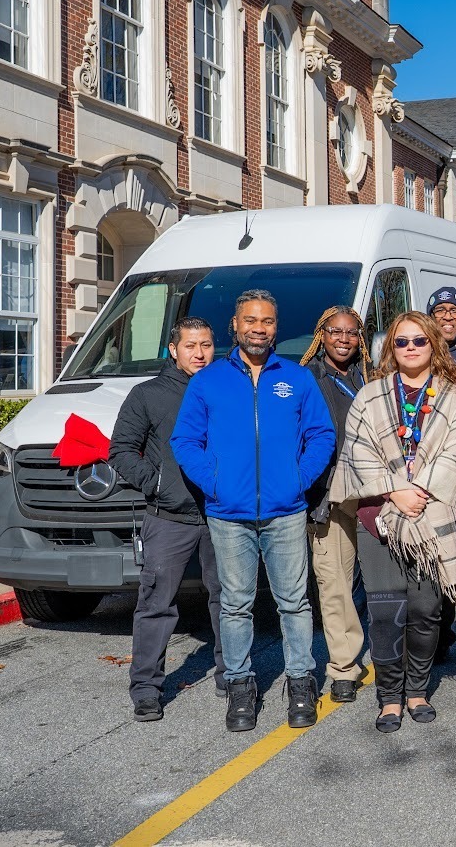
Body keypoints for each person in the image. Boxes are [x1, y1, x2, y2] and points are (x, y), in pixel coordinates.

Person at [171, 290, 334, 733]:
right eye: (250, 320)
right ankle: (241, 686)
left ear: (275, 327)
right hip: (229, 514)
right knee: (237, 605)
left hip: (285, 512)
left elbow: (321, 434)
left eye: (266, 321)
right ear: (235, 326)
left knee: (294, 604)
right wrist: (216, 481)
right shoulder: (209, 381)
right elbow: (185, 441)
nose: (258, 328)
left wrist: (297, 480)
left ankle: (300, 682)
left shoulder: (297, 379)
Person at [336, 311, 456, 733]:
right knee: (385, 611)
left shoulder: (455, 397)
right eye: (402, 342)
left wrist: (420, 493)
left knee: (425, 610)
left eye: (419, 340)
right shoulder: (370, 396)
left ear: (434, 344)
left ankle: (417, 690)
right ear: (390, 349)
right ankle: (389, 698)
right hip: (379, 515)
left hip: (433, 516)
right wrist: (395, 492)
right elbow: (358, 451)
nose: (411, 348)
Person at [112, 316, 226, 723]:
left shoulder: (228, 388)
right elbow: (122, 450)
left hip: (222, 515)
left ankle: (231, 674)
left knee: (227, 600)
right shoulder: (148, 395)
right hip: (169, 516)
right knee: (155, 604)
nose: (200, 353)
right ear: (173, 349)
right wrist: (156, 483)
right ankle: (146, 689)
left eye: (207, 344)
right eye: (191, 345)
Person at [301, 305, 370, 704]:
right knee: (334, 582)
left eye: (351, 332)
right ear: (321, 336)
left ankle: (398, 654)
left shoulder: (374, 377)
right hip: (329, 494)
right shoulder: (307, 378)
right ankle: (344, 667)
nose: (343, 339)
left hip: (376, 491)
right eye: (335, 332)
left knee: (385, 580)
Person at [428, 286, 456, 375]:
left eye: (454, 311)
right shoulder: (423, 352)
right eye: (440, 310)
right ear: (431, 318)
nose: (448, 317)